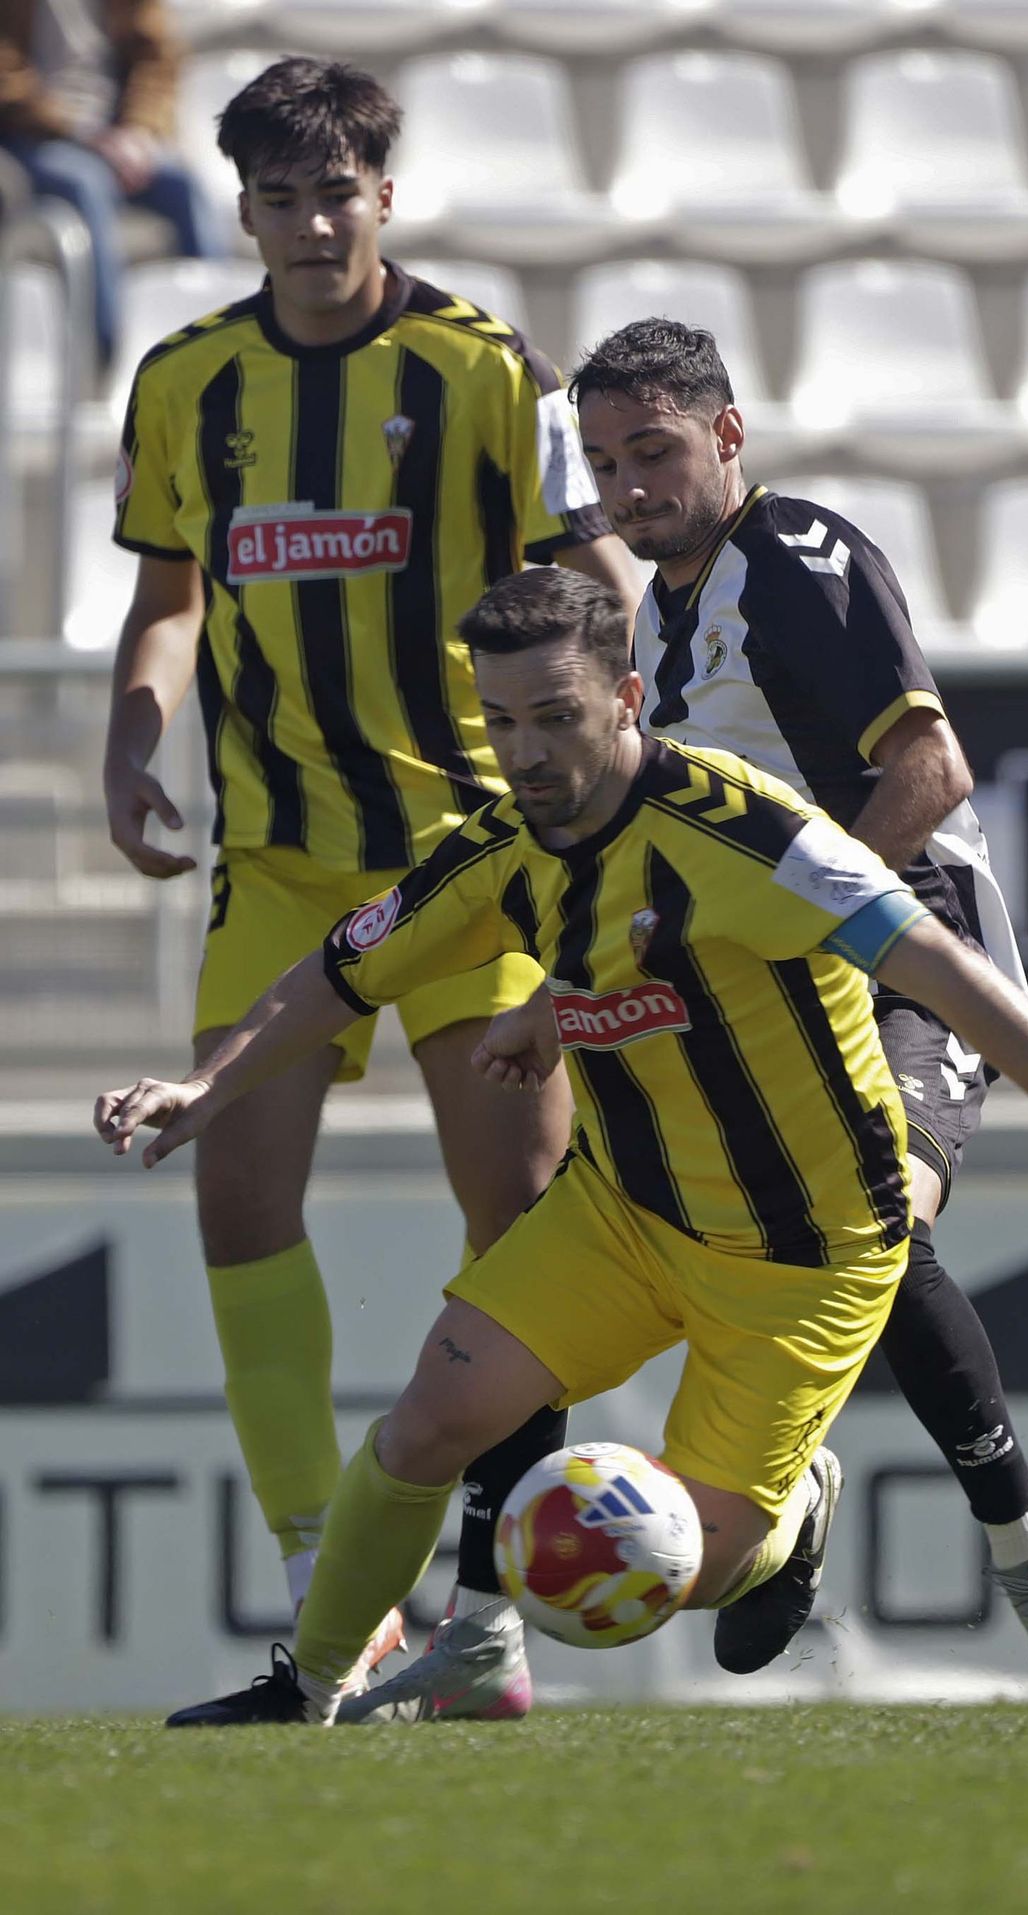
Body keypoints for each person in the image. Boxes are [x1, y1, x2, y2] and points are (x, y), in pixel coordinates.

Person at [92, 566, 1028, 1727]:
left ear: (628, 696)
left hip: (803, 1255)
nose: (524, 753)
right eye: (503, 722)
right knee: (427, 1422)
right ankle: (313, 1687)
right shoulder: (499, 844)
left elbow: (937, 964)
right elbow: (341, 969)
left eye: (555, 717)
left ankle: (788, 1519)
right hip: (621, 1216)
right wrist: (206, 1087)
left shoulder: (743, 833)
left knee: (676, 1570)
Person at [102, 56, 638, 1703]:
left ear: (383, 195)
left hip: (473, 868)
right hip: (274, 861)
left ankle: (484, 1617)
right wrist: (133, 741)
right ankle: (321, 1584)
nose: (312, 225)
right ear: (245, 208)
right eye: (278, 200)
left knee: (528, 1223)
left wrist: (611, 735)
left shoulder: (480, 367)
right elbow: (172, 596)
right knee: (237, 1199)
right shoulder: (188, 378)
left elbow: (594, 565)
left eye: (338, 194)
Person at [560, 316, 1028, 1713]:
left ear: (726, 435)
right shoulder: (666, 610)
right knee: (770, 1242)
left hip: (902, 954)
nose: (630, 485)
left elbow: (928, 767)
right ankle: (791, 1500)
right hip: (768, 977)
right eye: (603, 461)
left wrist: (820, 921)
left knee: (887, 1218)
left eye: (654, 449)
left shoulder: (798, 562)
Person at [0, 0, 223, 363]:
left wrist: (137, 130)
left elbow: (156, 56)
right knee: (86, 184)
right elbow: (7, 79)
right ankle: (109, 358)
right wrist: (82, 133)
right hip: (34, 135)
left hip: (116, 134)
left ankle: (221, 341)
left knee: (185, 187)